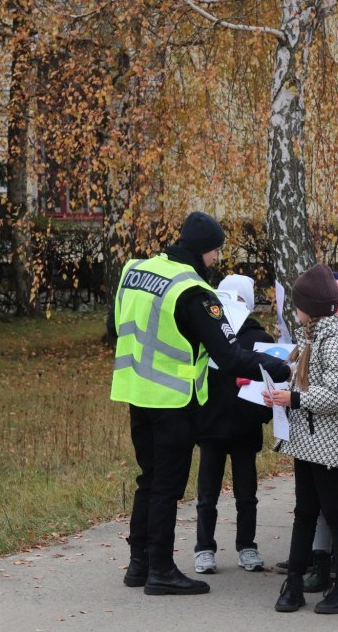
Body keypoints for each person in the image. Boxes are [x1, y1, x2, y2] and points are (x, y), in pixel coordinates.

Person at [108, 211, 291, 596]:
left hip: (136, 392)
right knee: (166, 486)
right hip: (173, 400)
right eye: (215, 255)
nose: (215, 263)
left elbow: (113, 328)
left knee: (148, 478)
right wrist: (282, 367)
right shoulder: (193, 291)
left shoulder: (135, 270)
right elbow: (231, 357)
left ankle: (138, 565)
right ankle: (161, 570)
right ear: (207, 251)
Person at [265, 264, 338, 615]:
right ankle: (293, 582)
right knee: (305, 511)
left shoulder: (335, 340)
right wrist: (284, 388)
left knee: (335, 513)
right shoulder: (315, 336)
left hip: (330, 444)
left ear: (308, 307)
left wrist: (293, 399)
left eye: (297, 304)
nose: (295, 310)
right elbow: (308, 379)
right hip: (309, 440)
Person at [193, 274, 274, 576]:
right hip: (211, 427)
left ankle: (246, 545)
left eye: (239, 300)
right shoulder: (208, 334)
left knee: (246, 493)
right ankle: (204, 548)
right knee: (207, 494)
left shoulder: (260, 339)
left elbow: (271, 381)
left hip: (244, 428)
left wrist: (264, 415)